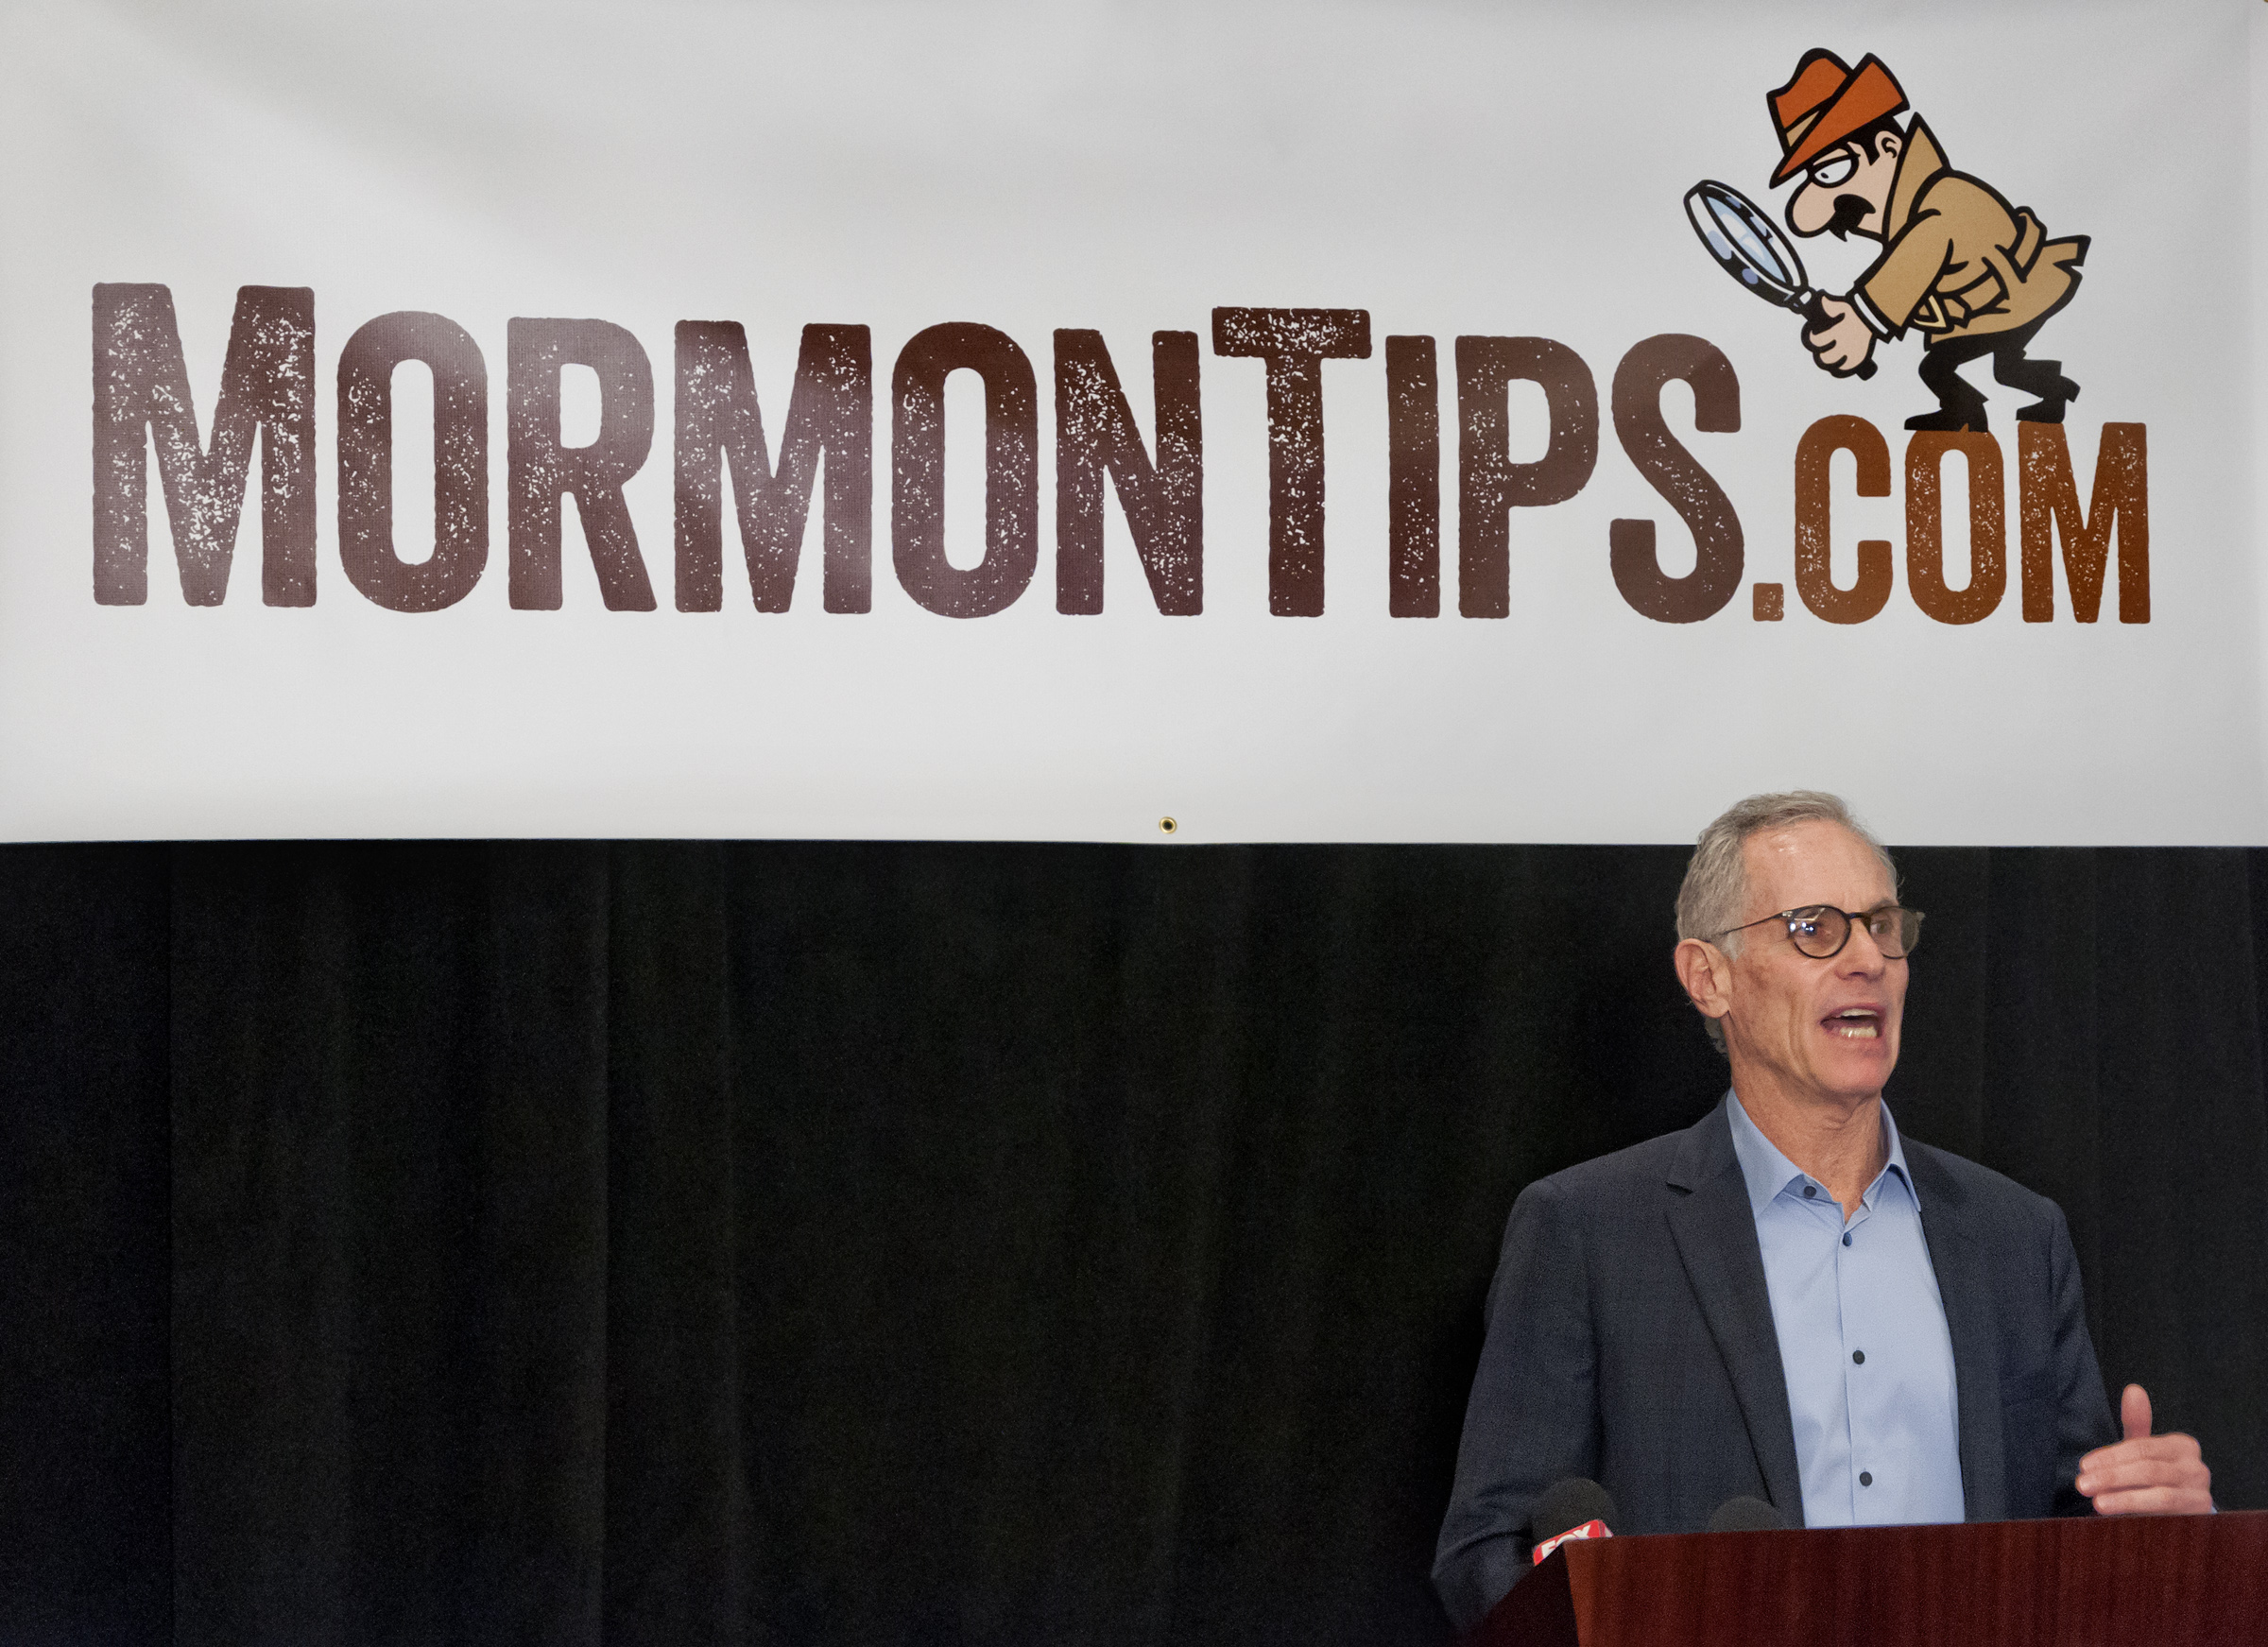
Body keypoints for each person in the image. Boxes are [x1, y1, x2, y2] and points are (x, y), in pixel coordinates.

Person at [1433, 791, 2212, 1635]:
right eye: (1815, 928)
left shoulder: (2015, 1236)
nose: (1868, 959)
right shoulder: (1587, 1231)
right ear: (1709, 977)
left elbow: (2072, 1544)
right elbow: (1489, 1553)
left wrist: (2151, 1532)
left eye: (1882, 925)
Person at [1768, 50, 2089, 432]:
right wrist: (1847, 311)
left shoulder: (1943, 198)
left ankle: (1984, 411)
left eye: (1833, 169)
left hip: (2017, 298)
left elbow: (1928, 243)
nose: (1819, 204)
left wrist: (1863, 318)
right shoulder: (1907, 210)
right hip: (1989, 308)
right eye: (1813, 177)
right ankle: (2030, 397)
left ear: (1888, 148)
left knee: (1947, 367)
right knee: (1998, 367)